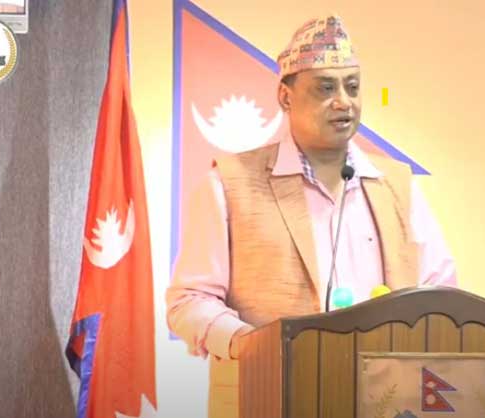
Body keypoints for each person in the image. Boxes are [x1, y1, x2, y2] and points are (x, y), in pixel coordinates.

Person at [166, 14, 456, 417]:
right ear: (285, 97)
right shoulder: (229, 184)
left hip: (386, 401)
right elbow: (188, 301)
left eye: (352, 87)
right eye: (326, 88)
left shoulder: (399, 186)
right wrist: (248, 344)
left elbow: (441, 291)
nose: (344, 102)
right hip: (271, 397)